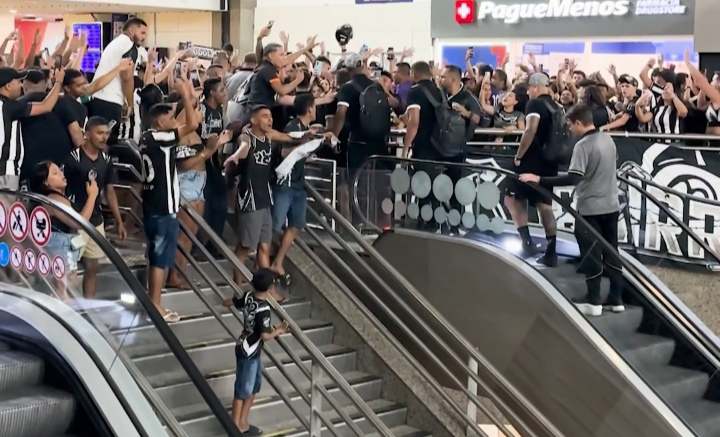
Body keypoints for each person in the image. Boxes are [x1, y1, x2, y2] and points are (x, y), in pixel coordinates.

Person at [520, 104, 623, 317]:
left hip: (591, 208)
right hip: (612, 206)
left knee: (591, 254)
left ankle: (593, 300)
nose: (569, 130)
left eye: (570, 125)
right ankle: (616, 298)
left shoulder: (583, 145)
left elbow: (573, 177)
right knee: (612, 252)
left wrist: (539, 179)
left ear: (578, 122)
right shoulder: (608, 139)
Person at [224, 105, 318, 286]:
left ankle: (267, 288)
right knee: (245, 246)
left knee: (265, 246)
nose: (270, 119)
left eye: (270, 116)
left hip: (265, 196)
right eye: (265, 116)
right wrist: (236, 156)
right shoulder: (247, 136)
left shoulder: (268, 135)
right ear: (253, 120)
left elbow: (289, 138)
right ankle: (237, 285)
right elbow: (243, 147)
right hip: (250, 197)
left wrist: (309, 136)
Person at [139, 77, 199, 322]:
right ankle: (155, 304)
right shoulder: (159, 138)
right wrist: (185, 94)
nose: (174, 121)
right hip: (163, 209)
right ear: (159, 120)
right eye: (170, 117)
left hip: (153, 206)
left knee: (157, 256)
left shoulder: (146, 138)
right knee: (160, 260)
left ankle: (153, 301)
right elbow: (193, 124)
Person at [62, 117, 127, 298]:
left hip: (96, 222)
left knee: (93, 267)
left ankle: (88, 306)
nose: (104, 137)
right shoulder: (72, 158)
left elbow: (110, 191)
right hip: (75, 222)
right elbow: (60, 188)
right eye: (99, 133)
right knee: (69, 270)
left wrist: (119, 221)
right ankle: (66, 310)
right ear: (87, 134)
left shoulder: (106, 160)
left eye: (106, 133)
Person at [225, 268, 288, 435]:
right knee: (243, 389)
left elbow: (235, 302)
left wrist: (227, 301)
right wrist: (278, 331)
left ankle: (243, 421)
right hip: (250, 351)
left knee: (253, 387)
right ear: (270, 288)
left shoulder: (248, 296)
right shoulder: (264, 309)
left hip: (245, 345)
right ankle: (235, 425)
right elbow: (265, 336)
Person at [506, 73, 558, 266]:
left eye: (529, 88)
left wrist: (519, 156)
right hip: (549, 162)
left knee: (511, 197)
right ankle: (551, 251)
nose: (528, 92)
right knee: (545, 205)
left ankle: (527, 242)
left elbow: (530, 130)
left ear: (535, 87)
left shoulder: (535, 104)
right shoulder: (556, 106)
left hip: (531, 160)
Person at [29, 161, 97, 300]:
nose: (61, 174)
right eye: (55, 173)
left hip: (58, 246)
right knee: (63, 291)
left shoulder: (52, 198)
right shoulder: (54, 200)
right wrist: (92, 196)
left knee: (61, 288)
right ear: (45, 183)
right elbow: (79, 222)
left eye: (59, 170)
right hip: (60, 249)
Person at [270, 93, 315, 285]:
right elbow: (283, 151)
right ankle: (262, 261)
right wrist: (302, 144)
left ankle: (277, 262)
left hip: (298, 183)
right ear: (310, 108)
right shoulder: (292, 127)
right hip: (285, 183)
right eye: (315, 106)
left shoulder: (306, 129)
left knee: (297, 224)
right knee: (275, 224)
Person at [0, 66, 65, 190]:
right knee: (5, 207)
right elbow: (46, 106)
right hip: (6, 171)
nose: (21, 85)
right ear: (8, 86)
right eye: (18, 82)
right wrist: (58, 82)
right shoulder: (10, 106)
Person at [88, 17, 147, 145]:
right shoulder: (129, 46)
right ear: (131, 30)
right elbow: (127, 77)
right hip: (110, 101)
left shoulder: (115, 43)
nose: (144, 37)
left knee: (95, 142)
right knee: (106, 144)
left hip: (98, 98)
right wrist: (130, 103)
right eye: (142, 33)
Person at [331, 52, 389, 172]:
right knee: (379, 181)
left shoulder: (347, 88)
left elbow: (341, 113)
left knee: (356, 181)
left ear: (347, 69)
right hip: (378, 142)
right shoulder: (376, 86)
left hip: (358, 142)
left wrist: (334, 136)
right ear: (362, 66)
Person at [402, 61, 442, 161]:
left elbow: (414, 123)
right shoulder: (439, 90)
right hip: (440, 144)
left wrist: (405, 148)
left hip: (423, 146)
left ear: (413, 73)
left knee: (421, 176)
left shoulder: (415, 91)